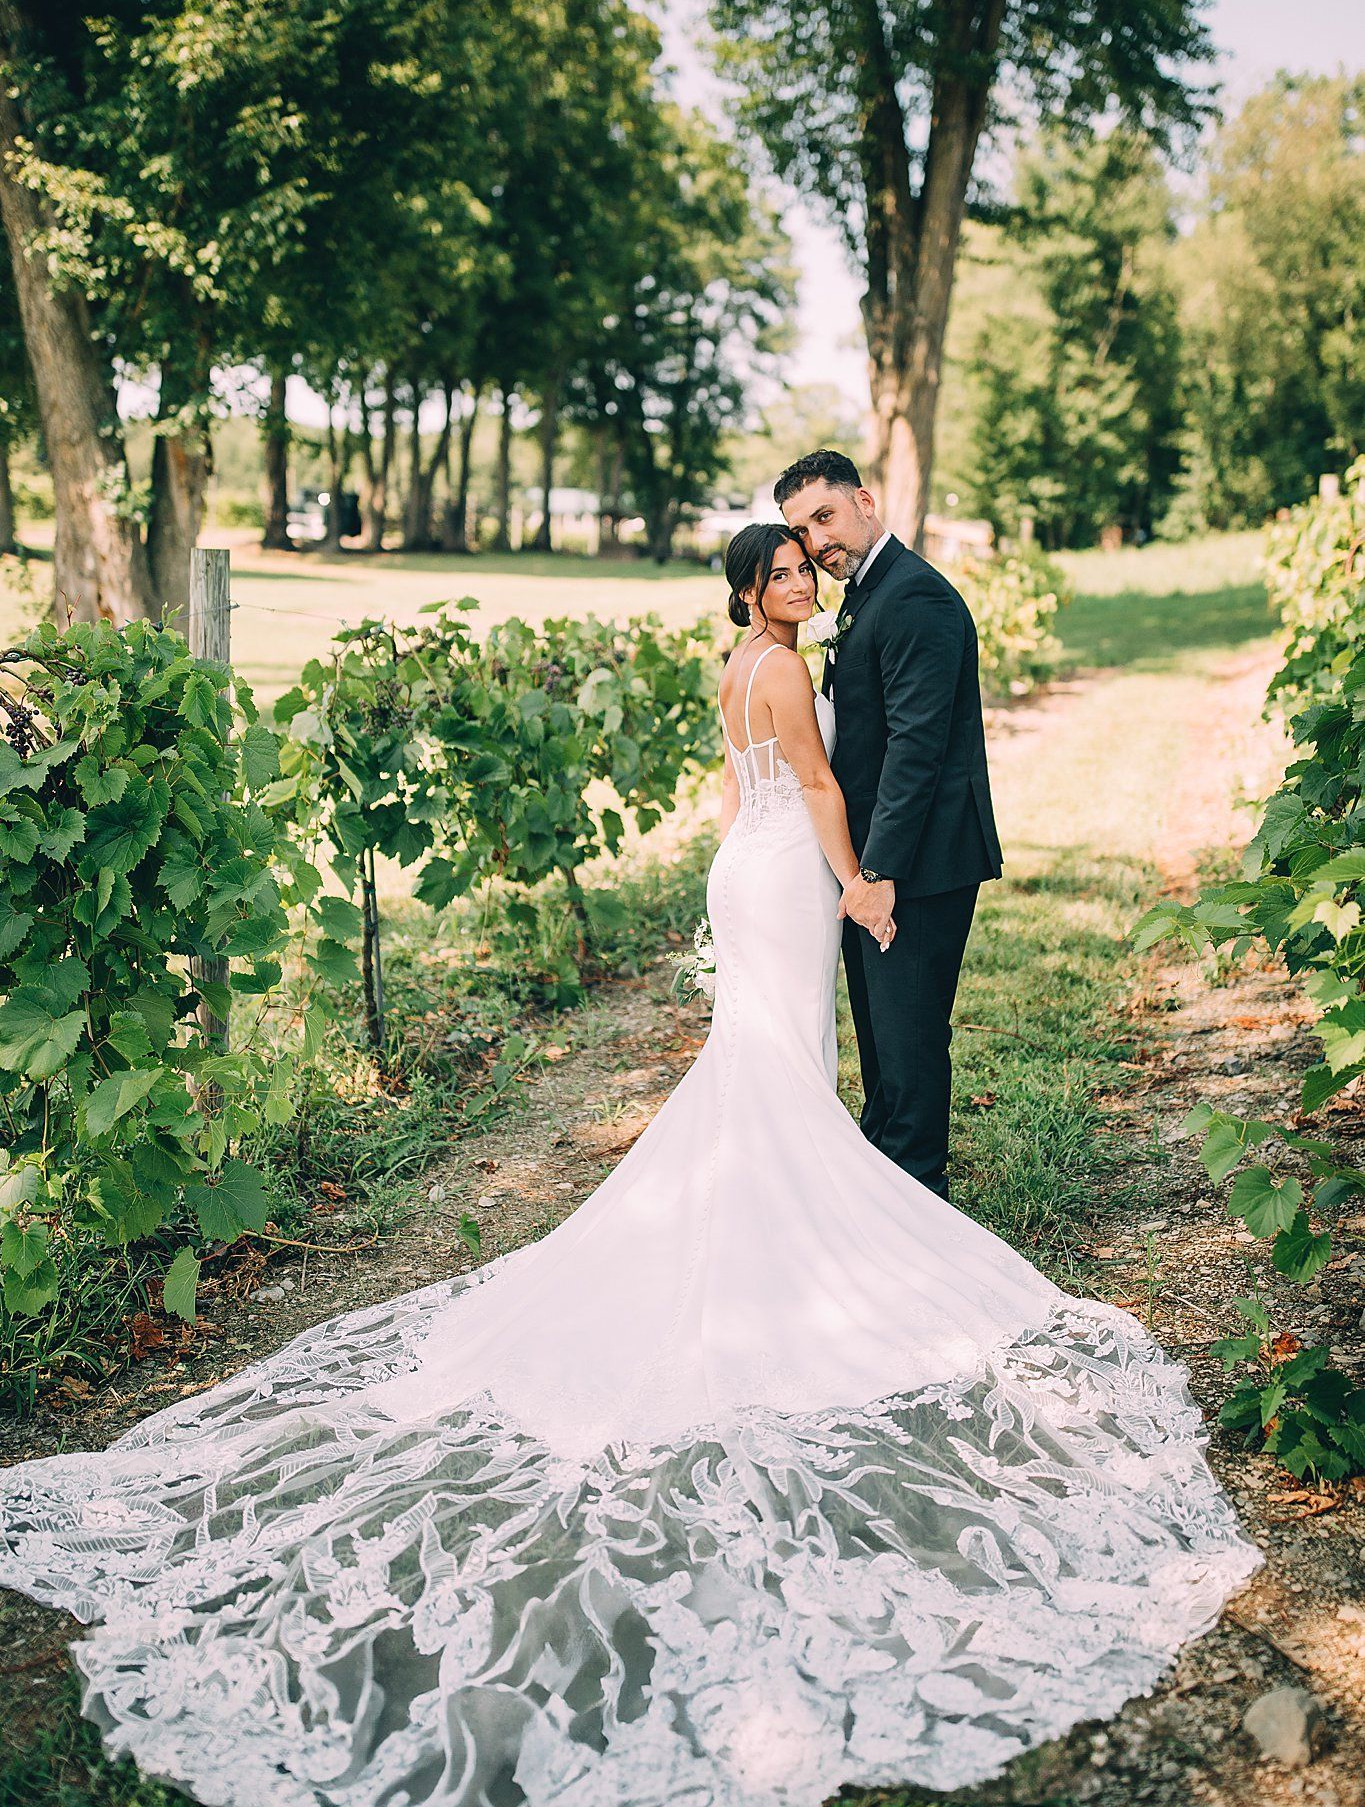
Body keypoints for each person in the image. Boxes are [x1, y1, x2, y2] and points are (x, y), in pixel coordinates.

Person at [0, 528, 1259, 1807]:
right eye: (783, 573)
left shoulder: (741, 661)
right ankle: (789, 1238)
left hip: (743, 871)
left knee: (763, 1061)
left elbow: (738, 791)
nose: (805, 585)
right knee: (778, 1069)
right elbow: (818, 788)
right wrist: (865, 891)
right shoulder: (776, 668)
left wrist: (741, 875)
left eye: (807, 571)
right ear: (750, 588)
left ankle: (770, 1215)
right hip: (785, 874)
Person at [775, 450, 1001, 1200]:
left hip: (919, 863)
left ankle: (919, 1212)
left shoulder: (914, 599)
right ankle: (886, 1207)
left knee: (905, 1042)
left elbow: (916, 747)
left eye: (824, 516)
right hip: (880, 860)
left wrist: (876, 876)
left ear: (864, 501)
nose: (815, 541)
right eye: (800, 529)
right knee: (882, 1042)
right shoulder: (867, 597)